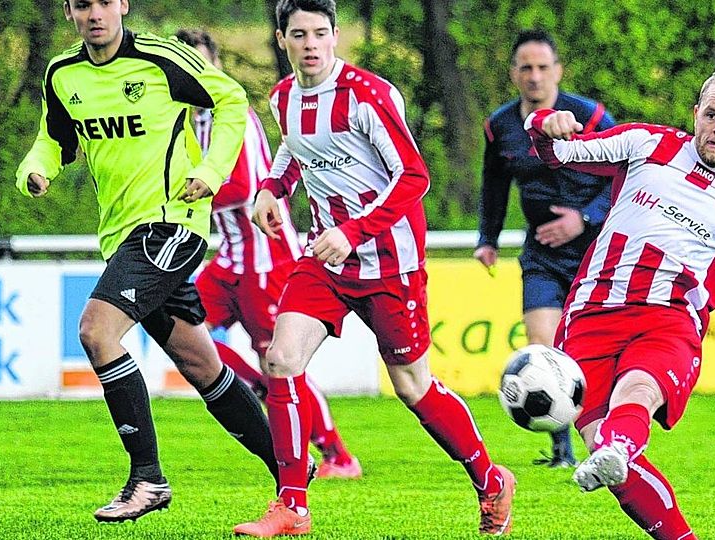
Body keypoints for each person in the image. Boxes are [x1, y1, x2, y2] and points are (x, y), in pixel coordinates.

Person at [233, 0, 516, 536]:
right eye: (299, 34)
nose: (311, 44)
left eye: (320, 32)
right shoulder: (283, 99)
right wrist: (272, 189)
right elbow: (295, 152)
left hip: (390, 264)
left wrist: (354, 231)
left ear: (336, 35)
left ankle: (489, 480)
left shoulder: (368, 95)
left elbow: (413, 176)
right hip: (325, 260)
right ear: (281, 39)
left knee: (413, 386)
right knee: (281, 358)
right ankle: (292, 504)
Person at [525, 65, 715, 539]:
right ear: (696, 112)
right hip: (591, 315)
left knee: (638, 394)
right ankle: (633, 469)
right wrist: (545, 122)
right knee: (607, 454)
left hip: (667, 322)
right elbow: (561, 153)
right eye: (711, 115)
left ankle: (618, 442)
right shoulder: (646, 144)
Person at [16, 0, 283, 524]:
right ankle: (289, 467)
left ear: (122, 6)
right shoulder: (63, 74)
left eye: (103, 2)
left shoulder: (163, 60)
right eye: (82, 4)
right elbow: (54, 139)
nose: (94, 13)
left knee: (96, 330)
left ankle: (148, 479)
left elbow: (231, 100)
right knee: (201, 364)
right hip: (120, 236)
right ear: (70, 12)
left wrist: (211, 168)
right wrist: (35, 167)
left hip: (171, 224)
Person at [176, 28, 362, 480]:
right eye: (185, 68)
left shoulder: (231, 115)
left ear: (216, 66)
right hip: (228, 263)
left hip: (266, 261)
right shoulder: (182, 122)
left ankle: (338, 455)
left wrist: (183, 194)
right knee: (182, 329)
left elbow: (241, 187)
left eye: (201, 66)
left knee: (283, 359)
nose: (195, 78)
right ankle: (260, 384)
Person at [475, 29, 616, 468]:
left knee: (596, 350)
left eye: (542, 67)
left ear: (558, 70)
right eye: (525, 68)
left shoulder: (589, 117)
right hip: (541, 253)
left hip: (597, 250)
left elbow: (628, 173)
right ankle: (561, 452)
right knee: (542, 345)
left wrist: (584, 218)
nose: (534, 76)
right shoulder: (500, 125)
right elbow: (493, 184)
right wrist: (488, 238)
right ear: (514, 74)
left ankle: (612, 438)